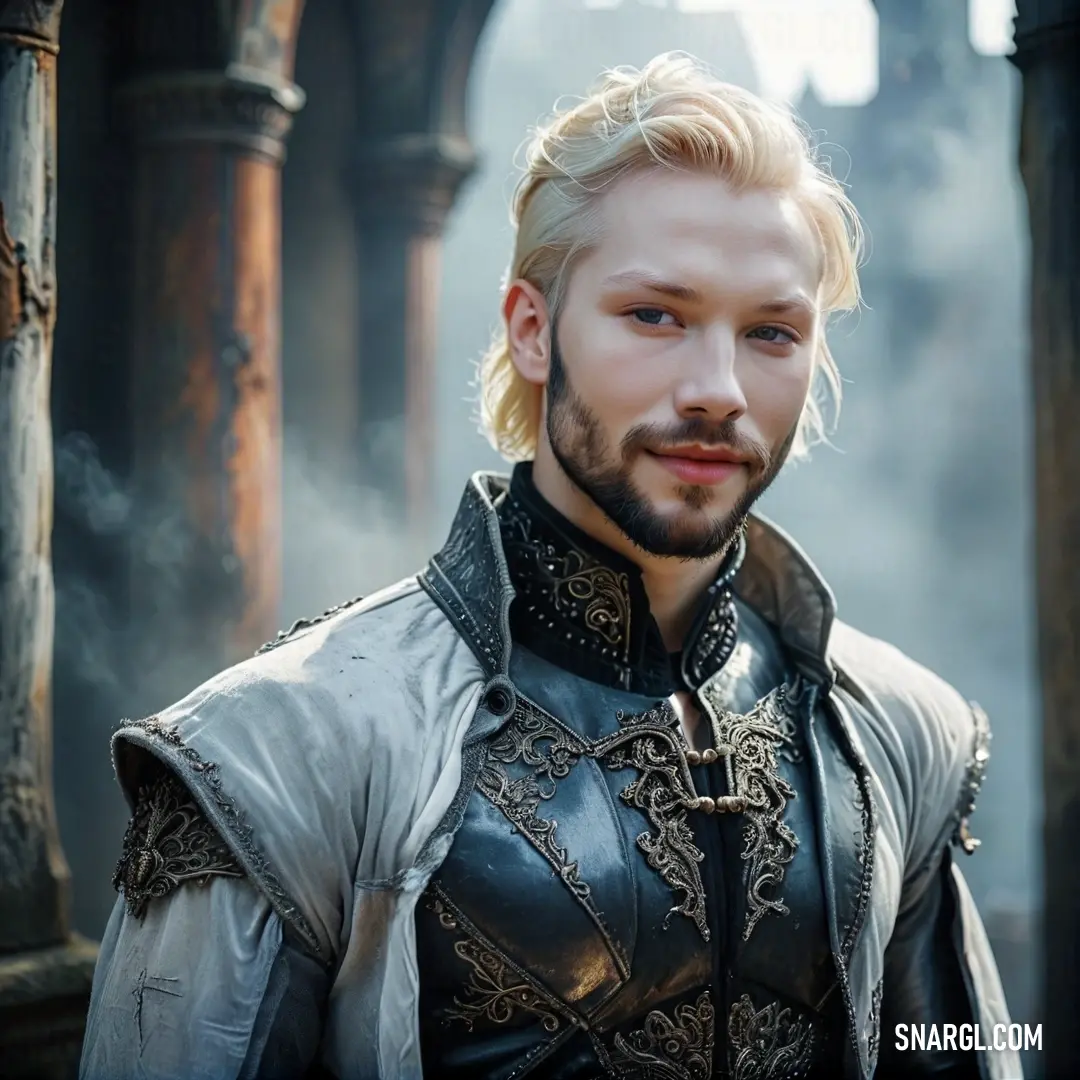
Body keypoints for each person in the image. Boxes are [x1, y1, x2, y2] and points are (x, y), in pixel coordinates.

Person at [80, 52, 1017, 1080]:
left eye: (770, 332)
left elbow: (957, 1050)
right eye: (655, 314)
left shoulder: (898, 735)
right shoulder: (279, 759)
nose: (717, 387)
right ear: (533, 329)